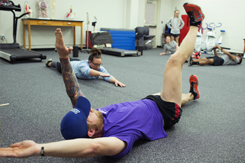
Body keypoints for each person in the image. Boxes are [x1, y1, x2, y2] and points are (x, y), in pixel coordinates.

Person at [0, 3, 204, 159]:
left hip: (148, 101)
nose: (90, 109)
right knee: (174, 61)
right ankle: (196, 23)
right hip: (165, 112)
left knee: (181, 95)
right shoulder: (117, 140)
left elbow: (73, 91)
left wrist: (63, 58)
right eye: (86, 114)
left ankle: (193, 94)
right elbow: (92, 147)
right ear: (90, 132)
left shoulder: (96, 117)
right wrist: (38, 148)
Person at [45, 47, 126, 87]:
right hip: (69, 67)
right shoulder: (84, 65)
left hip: (77, 62)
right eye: (96, 64)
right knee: (58, 65)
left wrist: (115, 80)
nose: (98, 66)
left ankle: (67, 56)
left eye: (99, 64)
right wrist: (100, 74)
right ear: (90, 62)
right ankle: (49, 62)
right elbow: (87, 72)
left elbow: (107, 76)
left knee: (74, 59)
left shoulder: (98, 68)